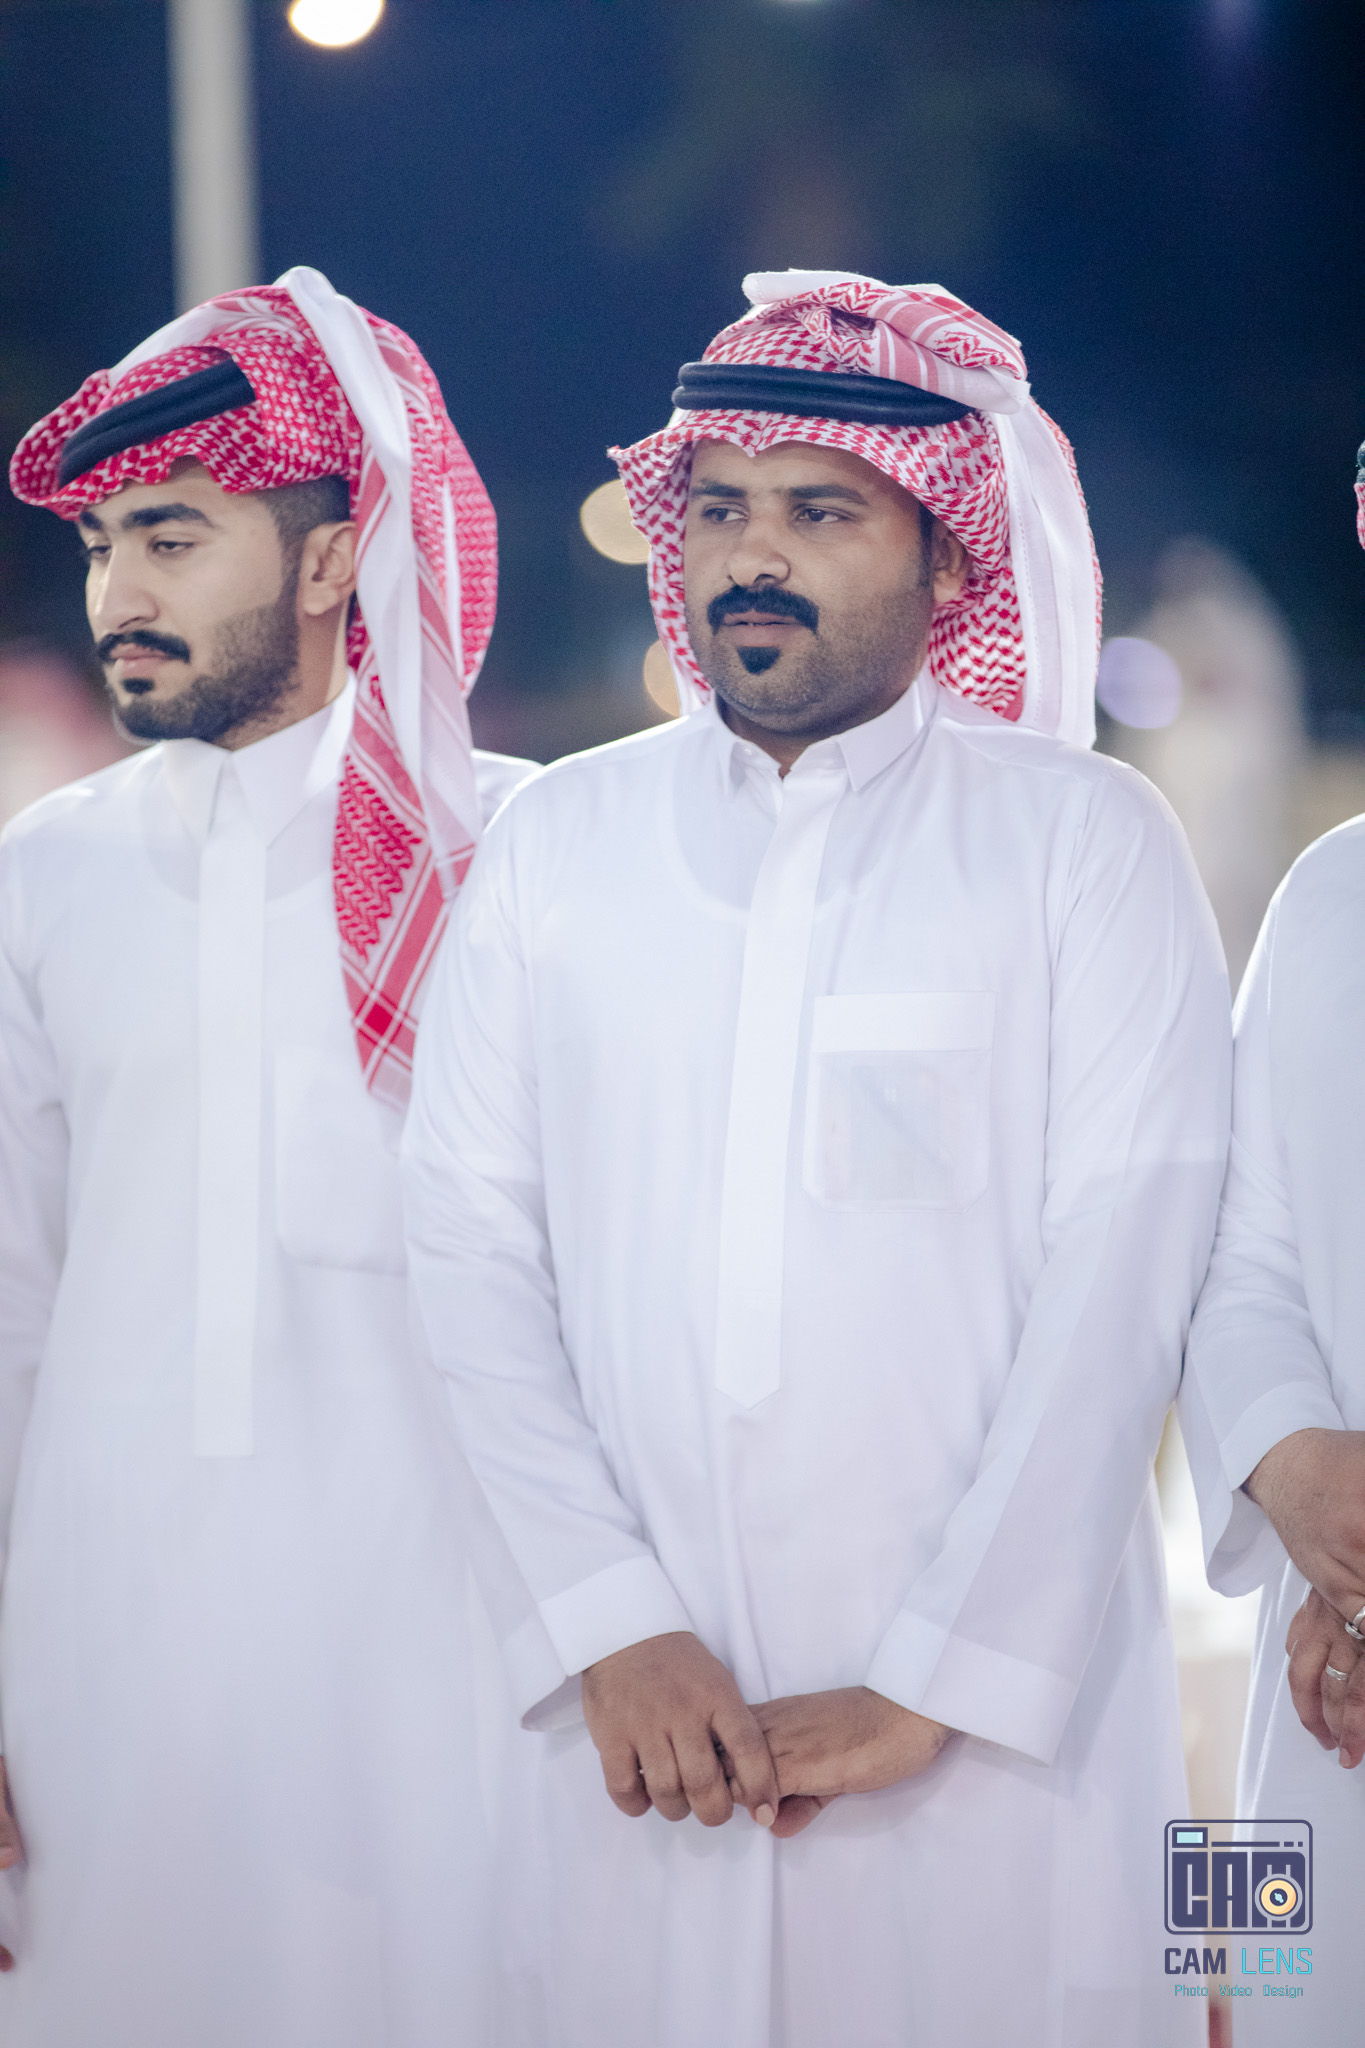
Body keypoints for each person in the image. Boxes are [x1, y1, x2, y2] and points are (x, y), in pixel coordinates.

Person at [403, 270, 1231, 2047]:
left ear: (946, 559)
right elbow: (464, 1248)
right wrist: (608, 1624)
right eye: (716, 511)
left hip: (994, 1742)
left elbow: (1123, 1284)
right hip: (633, 1726)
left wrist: (938, 1681)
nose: (750, 557)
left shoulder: (1081, 842)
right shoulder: (560, 845)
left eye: (819, 513)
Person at [0, 268, 533, 2046]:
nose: (119, 596)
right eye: (101, 549)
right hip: (101, 1643)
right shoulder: (46, 871)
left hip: (444, 1647)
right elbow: (8, 1297)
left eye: (171, 538)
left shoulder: (513, 852)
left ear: (327, 561)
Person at [1179, 443, 1365, 2038]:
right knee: (1266, 1984)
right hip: (1325, 1649)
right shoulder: (1328, 897)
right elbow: (1237, 1260)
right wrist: (1299, 1480)